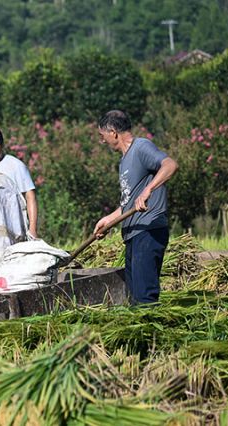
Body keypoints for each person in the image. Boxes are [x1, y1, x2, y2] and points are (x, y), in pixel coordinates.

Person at [94, 110, 178, 305]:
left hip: (147, 232)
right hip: (133, 235)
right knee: (134, 300)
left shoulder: (141, 147)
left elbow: (170, 165)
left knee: (144, 299)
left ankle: (154, 334)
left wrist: (148, 190)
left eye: (102, 136)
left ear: (113, 132)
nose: (102, 141)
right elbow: (128, 204)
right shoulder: (124, 161)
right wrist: (108, 221)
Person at [0, 126, 38, 238]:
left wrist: (33, 229)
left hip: (14, 229)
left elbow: (30, 196)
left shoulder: (15, 166)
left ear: (2, 145)